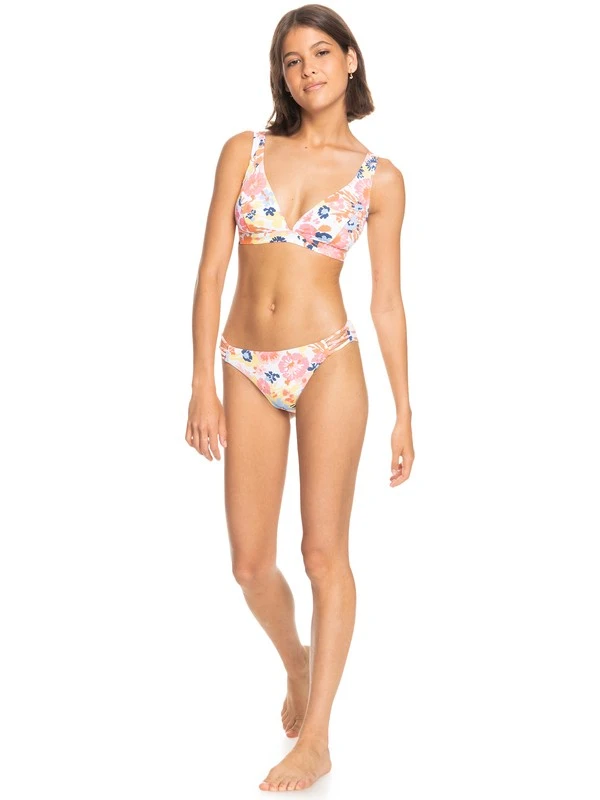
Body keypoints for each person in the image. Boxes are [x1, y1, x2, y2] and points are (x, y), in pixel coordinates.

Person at [185, 3, 414, 791]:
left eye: (321, 52)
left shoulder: (380, 178)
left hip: (328, 363)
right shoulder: (244, 151)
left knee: (323, 553)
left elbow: (388, 302)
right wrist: (202, 383)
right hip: (245, 363)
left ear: (351, 60)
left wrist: (405, 411)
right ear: (280, 75)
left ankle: (317, 738)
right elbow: (211, 273)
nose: (308, 69)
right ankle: (298, 662)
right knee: (250, 565)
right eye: (292, 59)